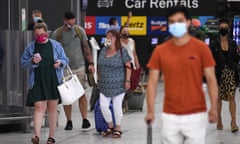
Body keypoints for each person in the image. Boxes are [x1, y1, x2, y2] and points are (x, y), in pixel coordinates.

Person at [145, 6, 218, 144]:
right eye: (172, 22)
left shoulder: (201, 48)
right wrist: (150, 110)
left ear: (189, 22)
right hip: (170, 116)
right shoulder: (160, 51)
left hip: (196, 114)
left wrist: (214, 108)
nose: (176, 24)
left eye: (180, 20)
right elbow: (152, 83)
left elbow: (211, 79)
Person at [21, 22, 69, 144]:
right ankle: (36, 136)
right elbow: (23, 63)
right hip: (37, 80)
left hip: (53, 79)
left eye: (42, 34)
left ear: (47, 33)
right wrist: (32, 60)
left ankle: (51, 136)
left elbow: (65, 59)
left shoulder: (56, 45)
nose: (40, 36)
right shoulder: (31, 47)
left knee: (52, 108)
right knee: (39, 107)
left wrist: (60, 63)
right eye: (37, 34)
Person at [51, 11, 95, 131]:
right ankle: (69, 121)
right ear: (64, 21)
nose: (70, 24)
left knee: (81, 93)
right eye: (68, 22)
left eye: (72, 21)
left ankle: (85, 119)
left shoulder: (79, 31)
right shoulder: (57, 34)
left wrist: (90, 63)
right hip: (64, 68)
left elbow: (86, 47)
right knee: (67, 96)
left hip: (79, 66)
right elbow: (53, 50)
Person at [97, 30, 132, 138]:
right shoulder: (103, 51)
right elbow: (99, 65)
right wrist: (98, 78)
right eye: (107, 37)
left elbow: (128, 67)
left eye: (110, 37)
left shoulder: (122, 51)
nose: (108, 39)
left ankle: (118, 128)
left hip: (118, 84)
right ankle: (110, 126)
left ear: (116, 39)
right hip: (104, 85)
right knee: (103, 106)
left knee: (117, 107)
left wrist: (127, 80)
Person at [210, 18, 239, 133]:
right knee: (218, 98)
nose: (223, 29)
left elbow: (236, 60)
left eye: (225, 28)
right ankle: (219, 120)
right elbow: (211, 60)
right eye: (222, 27)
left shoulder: (233, 43)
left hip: (231, 73)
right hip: (218, 74)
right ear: (218, 29)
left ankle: (233, 122)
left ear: (228, 29)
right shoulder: (214, 44)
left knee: (232, 96)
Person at [119, 26, 141, 112]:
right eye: (124, 31)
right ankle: (122, 103)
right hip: (122, 66)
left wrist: (137, 65)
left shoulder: (132, 41)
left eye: (127, 31)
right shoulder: (118, 42)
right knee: (123, 85)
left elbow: (134, 54)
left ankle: (125, 99)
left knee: (132, 86)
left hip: (132, 65)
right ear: (120, 33)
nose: (126, 33)